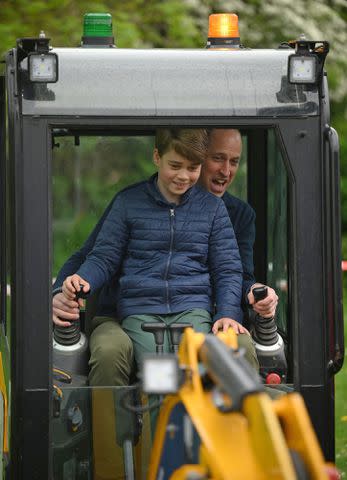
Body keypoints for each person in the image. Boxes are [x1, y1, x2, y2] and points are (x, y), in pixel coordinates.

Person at [52, 128, 277, 383]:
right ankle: (145, 419)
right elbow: (100, 257)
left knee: (221, 354)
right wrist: (72, 284)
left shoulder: (217, 210)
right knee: (158, 374)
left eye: (192, 167)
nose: (183, 176)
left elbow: (229, 269)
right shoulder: (129, 203)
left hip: (193, 308)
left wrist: (227, 311)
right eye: (175, 166)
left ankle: (225, 419)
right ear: (157, 157)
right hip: (139, 308)